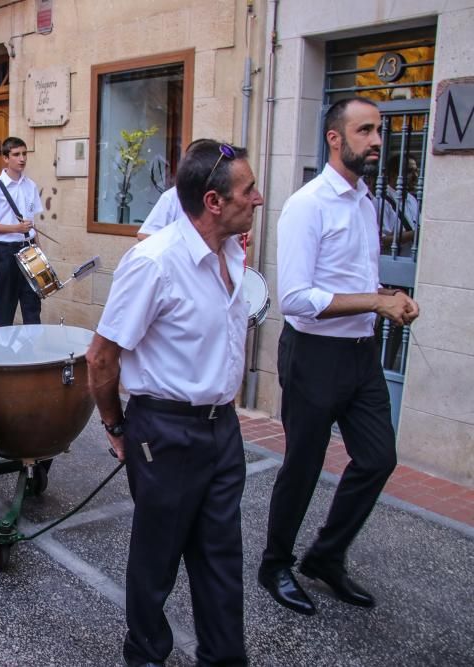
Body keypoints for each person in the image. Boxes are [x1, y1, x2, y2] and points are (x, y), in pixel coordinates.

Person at [87, 140, 262, 667]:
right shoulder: (154, 262)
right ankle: (144, 657)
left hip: (222, 431)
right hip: (164, 432)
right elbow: (100, 359)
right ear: (213, 201)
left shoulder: (230, 253)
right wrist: (116, 427)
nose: (257, 198)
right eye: (247, 190)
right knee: (156, 562)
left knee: (220, 560)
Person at [259, 96, 419, 616]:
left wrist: (387, 296)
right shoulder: (308, 204)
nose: (376, 140)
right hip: (313, 355)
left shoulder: (366, 200)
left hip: (361, 353)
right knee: (302, 466)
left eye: (378, 131)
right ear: (335, 138)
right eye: (366, 130)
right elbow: (297, 299)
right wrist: (376, 300)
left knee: (378, 458)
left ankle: (326, 556)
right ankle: (275, 563)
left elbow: (353, 277)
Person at [0, 137, 43, 328]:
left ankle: (32, 354)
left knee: (33, 304)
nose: (22, 158)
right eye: (16, 154)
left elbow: (31, 224)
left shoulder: (30, 185)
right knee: (5, 306)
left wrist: (39, 251)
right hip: (6, 252)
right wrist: (15, 228)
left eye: (24, 154)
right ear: (6, 158)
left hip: (29, 249)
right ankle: (0, 353)